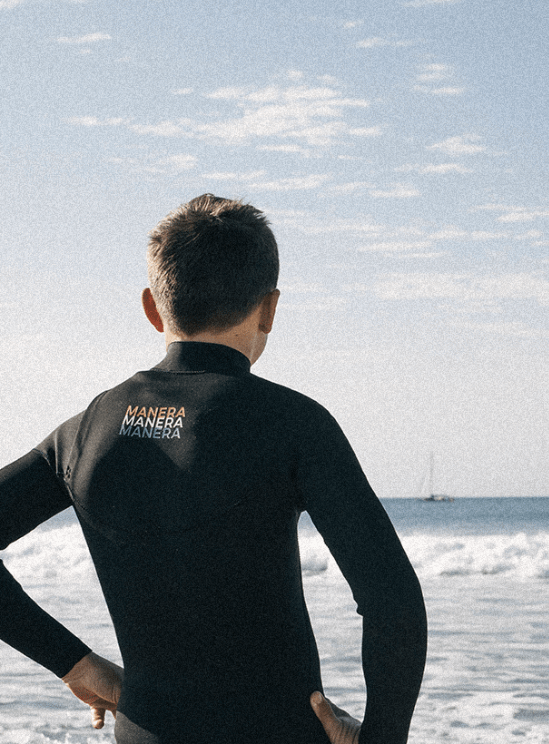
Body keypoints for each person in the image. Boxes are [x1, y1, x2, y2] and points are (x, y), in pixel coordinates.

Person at [0, 194, 427, 743]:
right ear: (269, 309)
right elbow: (393, 605)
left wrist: (74, 663)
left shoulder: (86, 430)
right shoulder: (293, 423)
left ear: (153, 307)